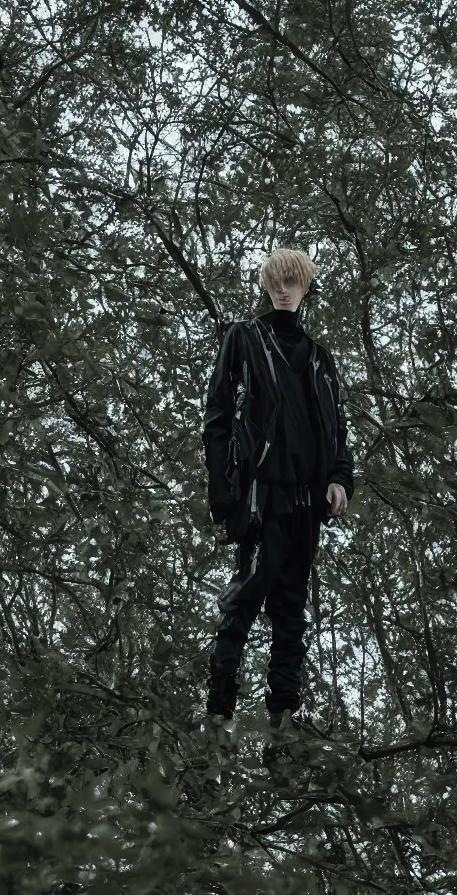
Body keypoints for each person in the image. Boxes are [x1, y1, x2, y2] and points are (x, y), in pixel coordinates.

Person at [201, 248, 355, 733]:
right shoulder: (245, 339)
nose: (283, 289)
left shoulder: (319, 359)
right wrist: (224, 493)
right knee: (244, 599)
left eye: (292, 281)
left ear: (305, 286)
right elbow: (217, 418)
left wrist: (339, 479)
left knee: (291, 613)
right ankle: (218, 716)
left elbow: (337, 432)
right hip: (262, 497)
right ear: (267, 285)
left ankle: (283, 724)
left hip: (308, 505)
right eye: (276, 281)